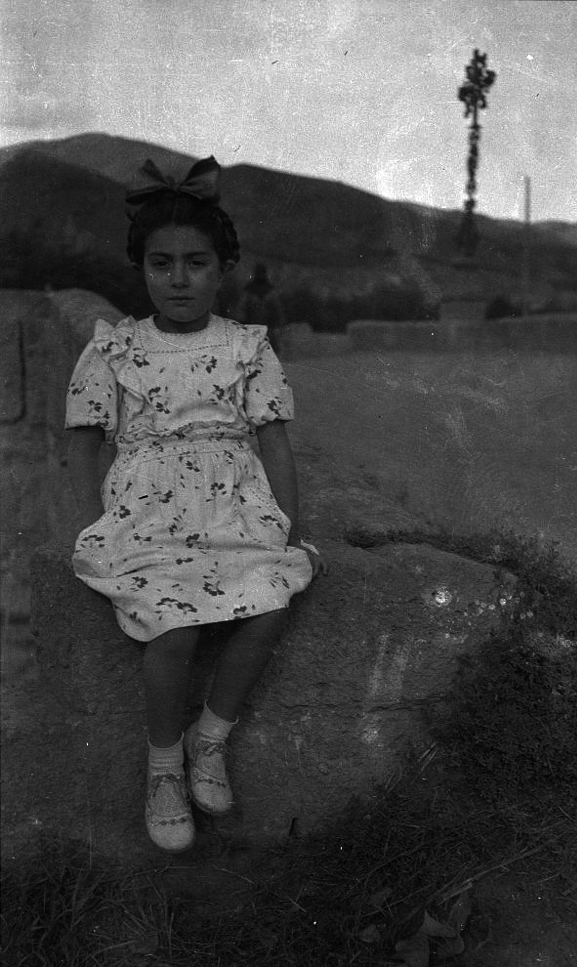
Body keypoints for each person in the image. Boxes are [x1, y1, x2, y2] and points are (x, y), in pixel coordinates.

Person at [65, 156, 327, 853]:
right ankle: (161, 767)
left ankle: (208, 737)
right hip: (145, 515)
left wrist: (286, 530)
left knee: (271, 598)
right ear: (141, 269)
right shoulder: (115, 348)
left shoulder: (246, 348)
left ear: (223, 269)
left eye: (195, 263)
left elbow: (274, 445)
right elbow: (85, 446)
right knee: (173, 628)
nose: (178, 279)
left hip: (230, 509)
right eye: (161, 263)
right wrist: (85, 527)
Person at [241, 263, 285, 354]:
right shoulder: (250, 292)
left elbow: (277, 311)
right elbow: (241, 309)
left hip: (263, 328)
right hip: (255, 327)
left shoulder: (268, 292)